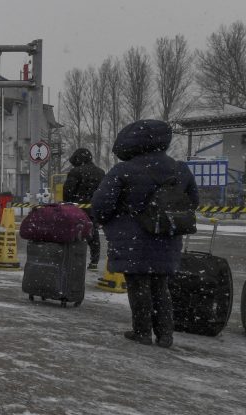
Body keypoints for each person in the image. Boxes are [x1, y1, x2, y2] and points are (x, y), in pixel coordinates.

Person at [91, 119, 198, 348]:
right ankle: (165, 335)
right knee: (161, 285)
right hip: (167, 236)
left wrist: (109, 219)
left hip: (133, 239)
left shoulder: (123, 170)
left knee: (138, 284)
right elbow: (192, 202)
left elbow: (101, 205)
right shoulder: (180, 169)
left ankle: (142, 331)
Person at [63, 148, 106, 270]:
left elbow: (68, 191)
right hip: (94, 209)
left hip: (78, 209)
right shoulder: (101, 172)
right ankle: (94, 261)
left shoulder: (75, 172)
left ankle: (75, 260)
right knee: (93, 234)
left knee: (76, 233)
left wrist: (67, 204)